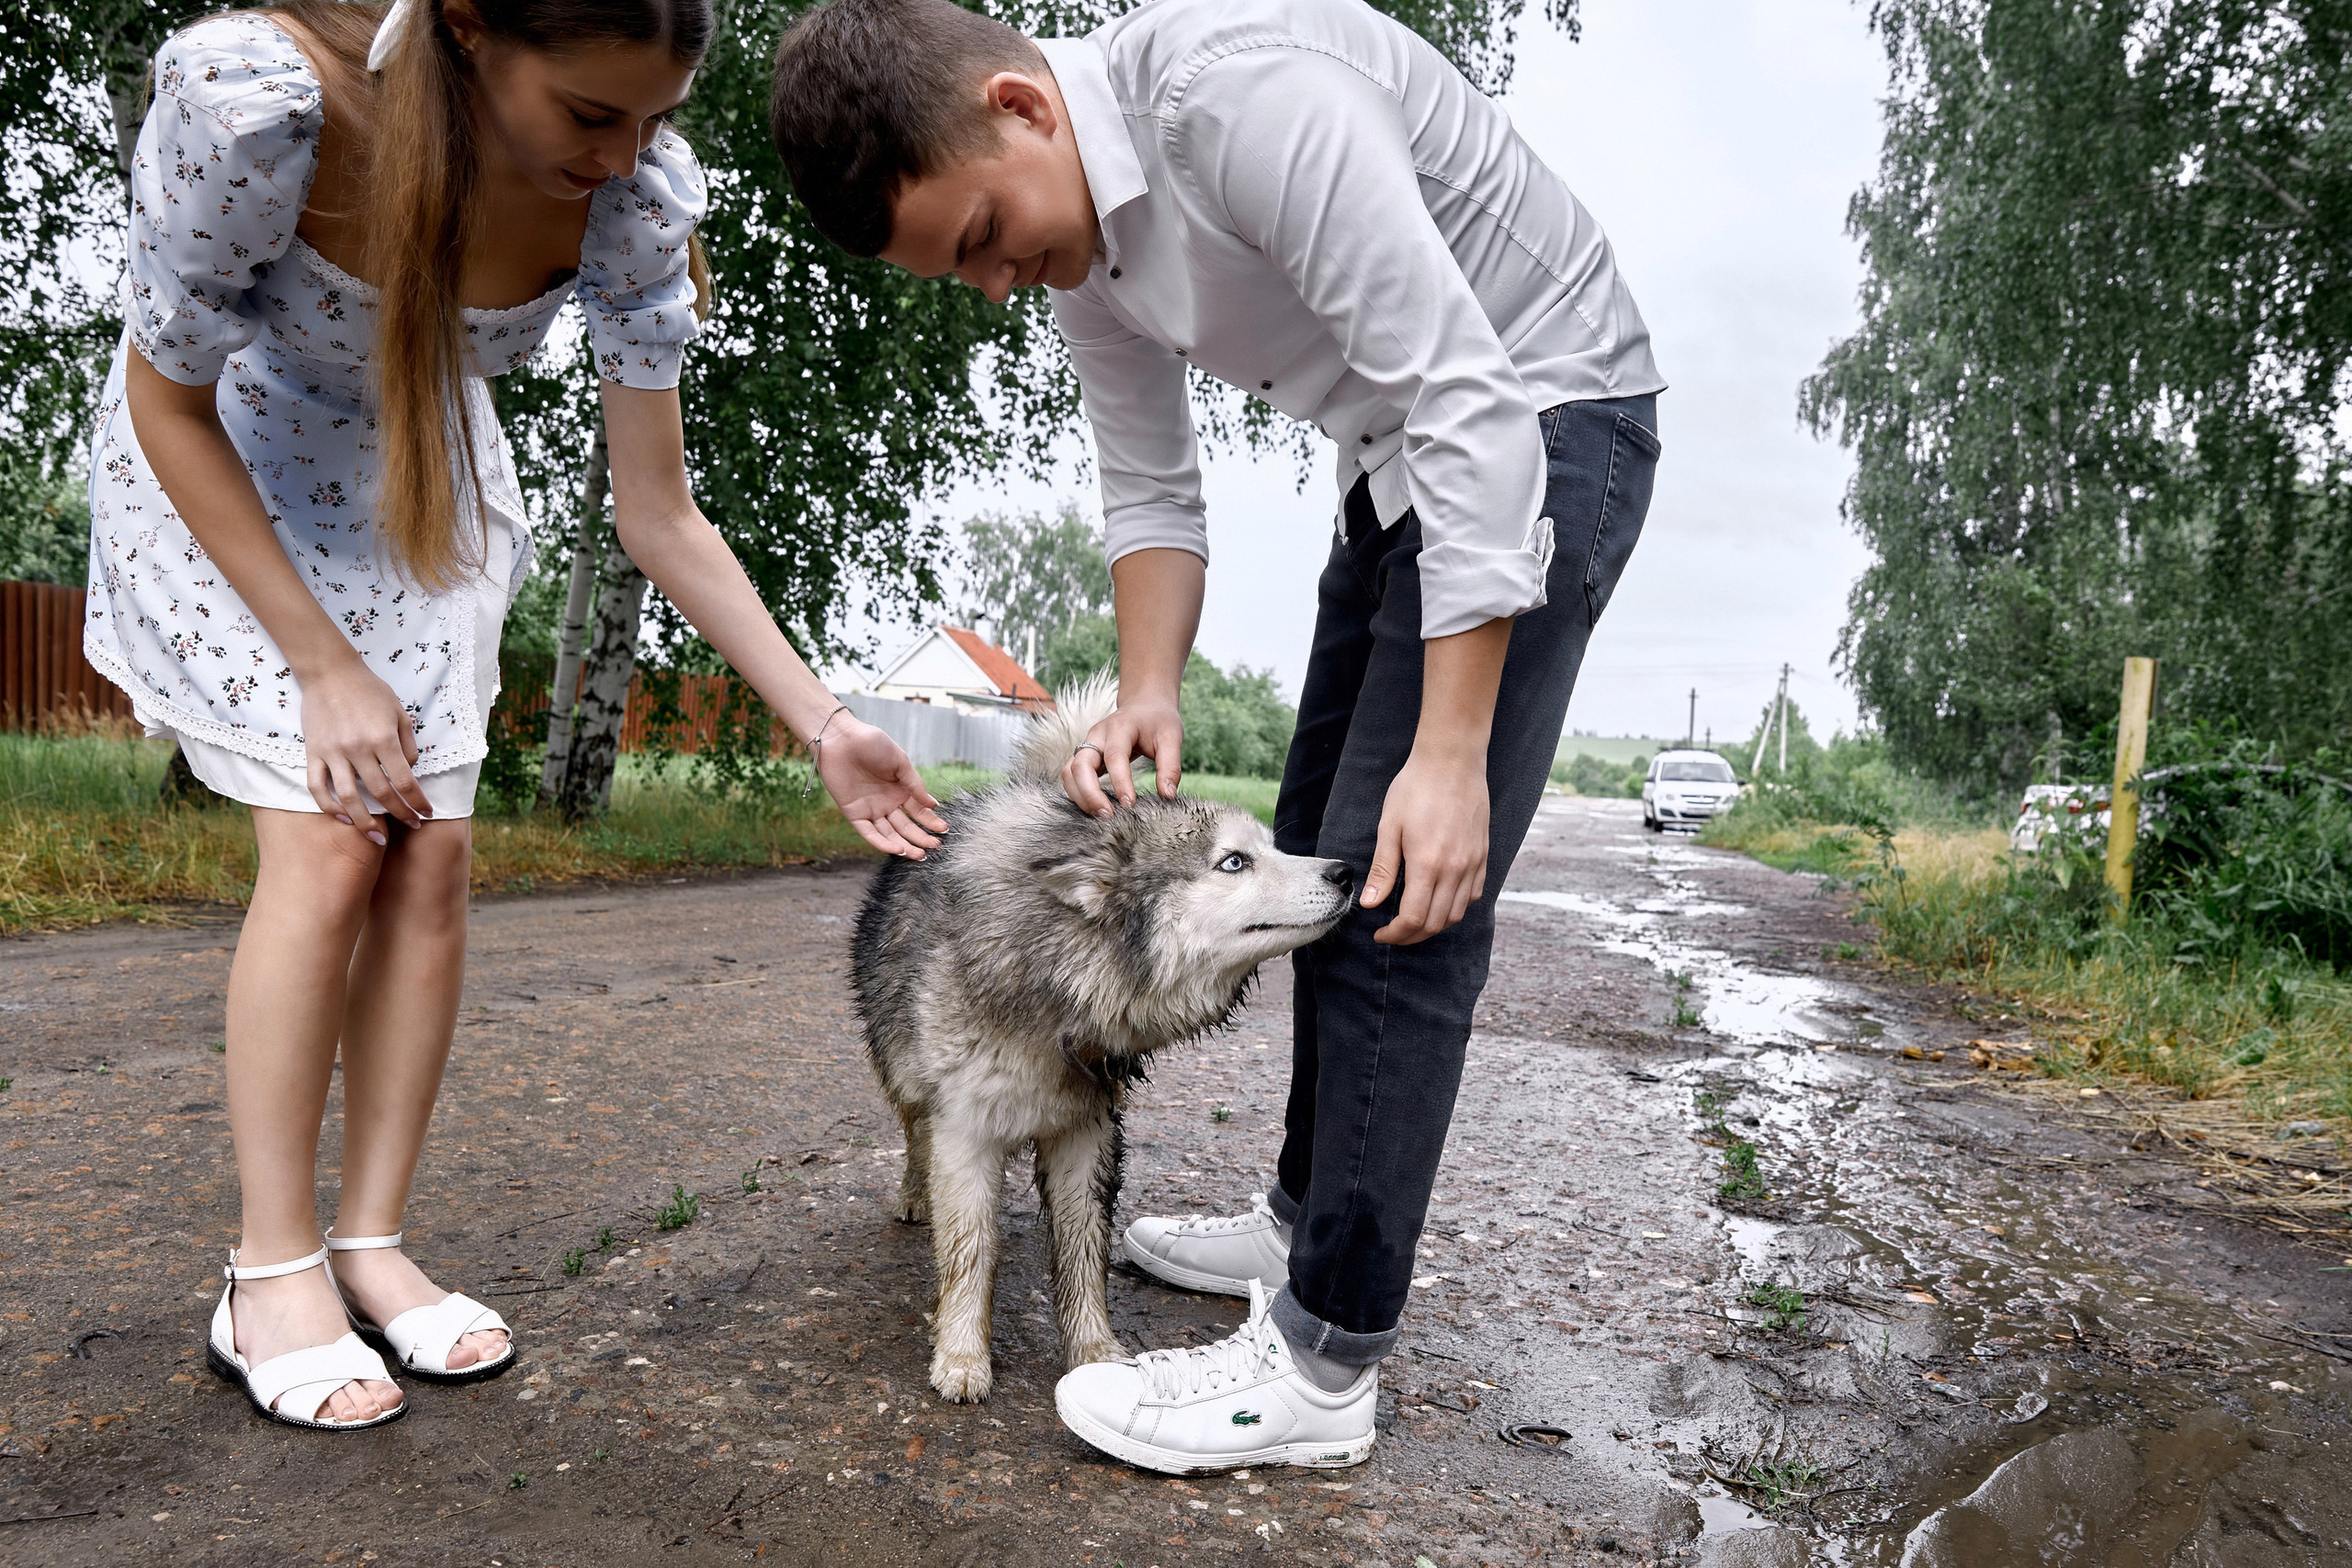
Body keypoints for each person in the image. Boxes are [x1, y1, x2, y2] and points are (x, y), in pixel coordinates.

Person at [770, 0, 1662, 1472]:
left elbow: (1470, 396)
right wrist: (1150, 686)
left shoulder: (1241, 102)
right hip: (1391, 459)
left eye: (984, 235)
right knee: (1318, 856)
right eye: (961, 271)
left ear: (1020, 106)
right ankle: (1300, 1225)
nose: (995, 283)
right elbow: (1152, 492)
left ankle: (1323, 1363)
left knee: (1397, 901)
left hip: (1540, 415)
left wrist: (1450, 756)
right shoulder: (1078, 240)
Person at [87, 0, 944, 1432]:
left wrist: (823, 723)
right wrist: (321, 668)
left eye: (655, 120)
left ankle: (370, 1242)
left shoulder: (628, 203)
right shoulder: (263, 113)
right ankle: (270, 1269)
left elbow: (659, 515)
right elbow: (164, 400)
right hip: (224, 474)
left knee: (431, 857)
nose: (625, 159)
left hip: (415, 494)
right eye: (593, 115)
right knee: (332, 843)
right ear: (473, 31)